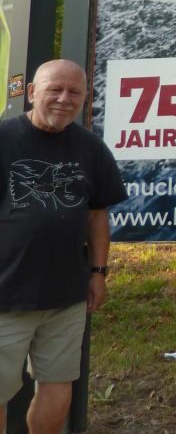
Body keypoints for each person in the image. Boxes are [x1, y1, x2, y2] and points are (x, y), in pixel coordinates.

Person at [0, 60, 127, 434]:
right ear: (32, 92)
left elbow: (97, 215)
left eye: (74, 92)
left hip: (66, 295)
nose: (63, 99)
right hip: (6, 293)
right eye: (54, 89)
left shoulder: (91, 148)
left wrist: (99, 273)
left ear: (85, 98)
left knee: (58, 388)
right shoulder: (4, 139)